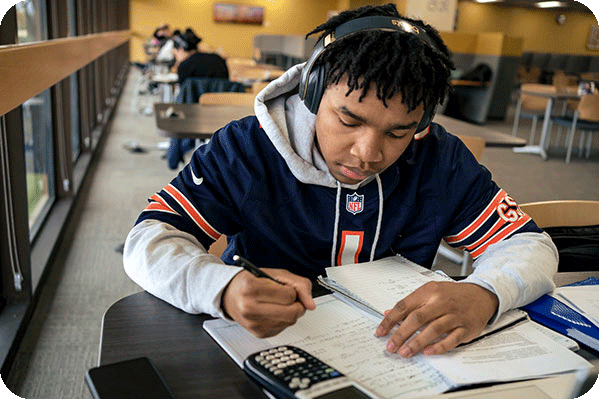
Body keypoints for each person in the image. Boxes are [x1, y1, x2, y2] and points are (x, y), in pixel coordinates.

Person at [124, 3, 557, 357]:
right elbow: (148, 241)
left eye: (398, 131)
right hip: (269, 348)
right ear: (312, 92)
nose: (368, 154)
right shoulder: (246, 148)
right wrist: (221, 287)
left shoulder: (440, 158)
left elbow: (529, 245)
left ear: (422, 122)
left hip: (396, 355)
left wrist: (486, 293)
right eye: (349, 119)